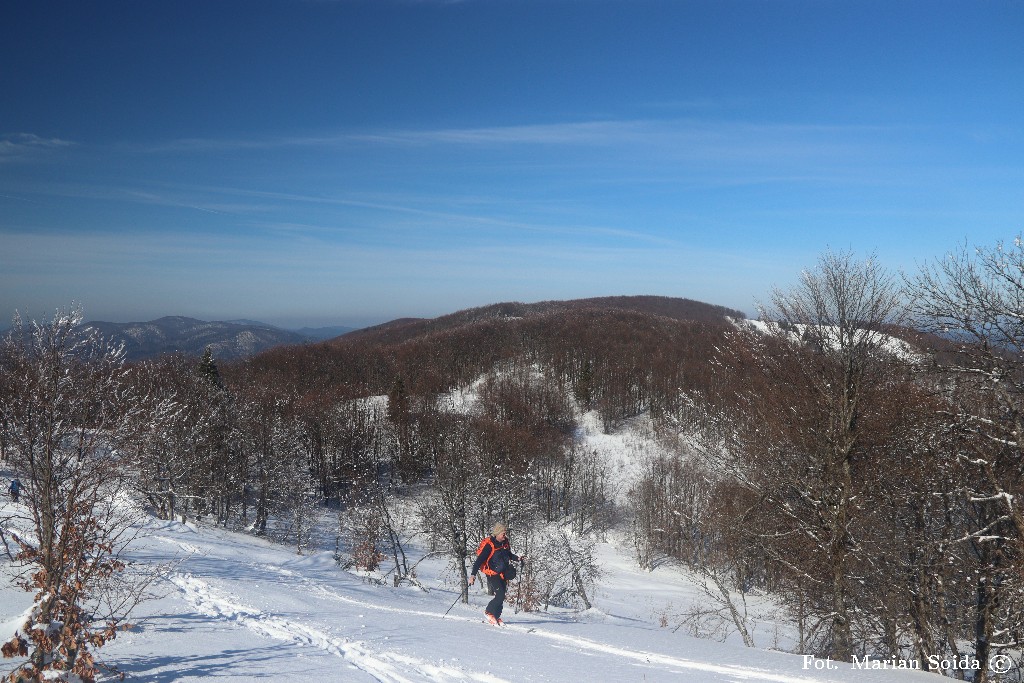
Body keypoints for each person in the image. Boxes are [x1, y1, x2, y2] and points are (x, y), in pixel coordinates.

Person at [469, 522, 526, 625]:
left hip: (502, 573)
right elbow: (479, 560)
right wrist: (473, 575)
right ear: (497, 533)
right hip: (492, 573)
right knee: (499, 595)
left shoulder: (505, 543)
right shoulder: (489, 545)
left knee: (502, 595)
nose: (505, 535)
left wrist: (518, 558)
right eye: (503, 533)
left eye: (505, 533)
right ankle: (488, 612)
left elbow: (508, 554)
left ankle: (495, 616)